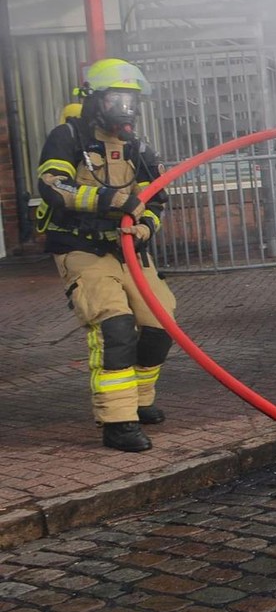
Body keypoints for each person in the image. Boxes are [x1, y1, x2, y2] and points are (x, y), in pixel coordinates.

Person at [36, 59, 176, 452]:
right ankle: (117, 422)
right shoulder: (67, 137)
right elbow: (53, 186)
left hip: (128, 248)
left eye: (131, 101)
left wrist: (145, 227)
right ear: (95, 100)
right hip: (80, 246)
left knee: (160, 322)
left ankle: (139, 401)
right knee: (114, 326)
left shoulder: (137, 147)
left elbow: (156, 199)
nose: (125, 109)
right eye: (117, 99)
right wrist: (112, 199)